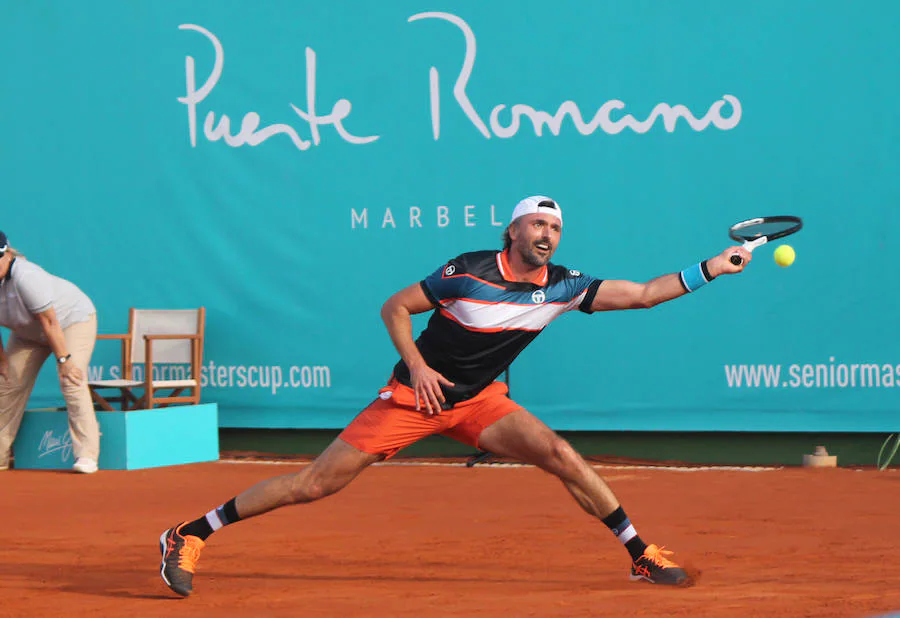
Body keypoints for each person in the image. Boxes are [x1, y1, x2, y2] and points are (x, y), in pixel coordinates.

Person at [159, 196, 752, 596]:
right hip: (413, 397)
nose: (547, 235)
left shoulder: (566, 286)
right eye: (537, 225)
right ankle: (190, 532)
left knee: (561, 454)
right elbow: (395, 306)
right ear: (513, 231)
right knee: (316, 484)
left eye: (556, 228)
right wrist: (415, 367)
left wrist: (712, 268)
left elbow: (645, 292)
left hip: (479, 403)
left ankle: (640, 553)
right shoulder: (467, 271)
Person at [0, 231, 101, 474]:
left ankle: (87, 455)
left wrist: (64, 359)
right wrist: (2, 361)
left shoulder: (27, 277)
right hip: (28, 332)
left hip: (70, 322)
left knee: (71, 378)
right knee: (7, 382)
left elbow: (49, 322)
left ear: (6, 255)